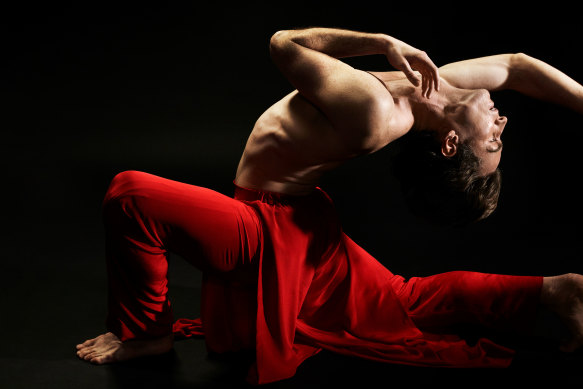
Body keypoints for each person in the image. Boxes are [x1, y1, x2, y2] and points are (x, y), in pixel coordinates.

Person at [75, 27, 583, 385]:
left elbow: (283, 43)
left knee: (130, 193)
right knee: (403, 302)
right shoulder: (441, 88)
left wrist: (382, 43)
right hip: (307, 222)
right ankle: (555, 291)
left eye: (492, 143)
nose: (503, 127)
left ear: (451, 143)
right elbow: (516, 67)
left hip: (264, 226)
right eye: (499, 139)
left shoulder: (374, 114)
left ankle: (145, 336)